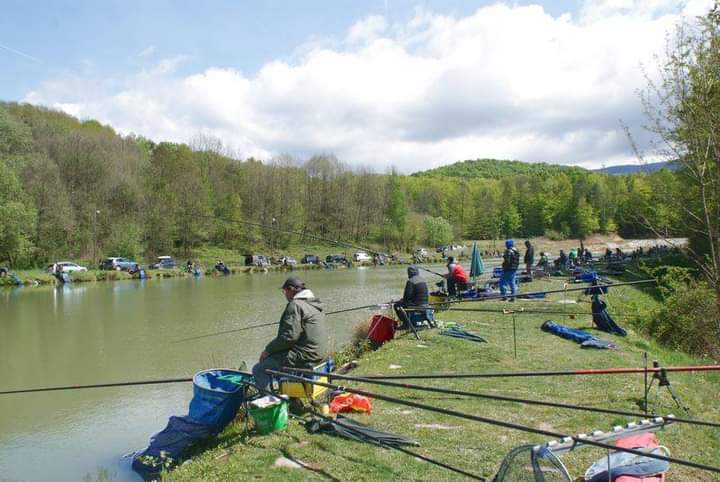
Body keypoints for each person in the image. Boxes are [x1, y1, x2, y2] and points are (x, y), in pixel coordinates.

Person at [252, 277, 328, 392]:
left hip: (305, 356)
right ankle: (292, 401)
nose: (285, 295)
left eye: (284, 291)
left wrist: (267, 350)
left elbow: (288, 338)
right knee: (276, 358)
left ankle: (271, 404)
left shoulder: (295, 305)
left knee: (259, 369)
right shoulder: (314, 304)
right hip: (318, 353)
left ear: (291, 290)